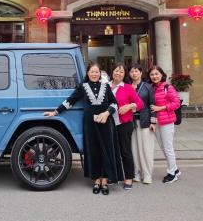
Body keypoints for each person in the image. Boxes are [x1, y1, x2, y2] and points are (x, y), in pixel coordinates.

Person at [44, 63, 123, 195]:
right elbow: (70, 101)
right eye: (92, 71)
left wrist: (106, 113)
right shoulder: (83, 87)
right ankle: (96, 181)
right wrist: (55, 112)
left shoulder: (106, 86)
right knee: (94, 152)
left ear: (100, 73)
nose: (94, 74)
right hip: (90, 125)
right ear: (87, 73)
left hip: (105, 123)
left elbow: (114, 103)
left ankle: (105, 181)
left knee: (106, 151)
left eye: (97, 72)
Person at [109, 64, 144, 190]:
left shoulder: (127, 88)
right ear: (112, 72)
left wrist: (129, 106)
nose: (118, 73)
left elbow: (140, 104)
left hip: (124, 124)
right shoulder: (105, 86)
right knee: (111, 151)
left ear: (124, 75)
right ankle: (112, 176)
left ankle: (128, 177)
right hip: (108, 125)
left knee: (125, 151)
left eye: (121, 71)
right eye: (116, 70)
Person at [148, 66, 182, 184]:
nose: (154, 76)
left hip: (167, 122)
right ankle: (175, 169)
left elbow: (176, 103)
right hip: (156, 122)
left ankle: (172, 173)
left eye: (156, 74)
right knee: (163, 147)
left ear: (162, 75)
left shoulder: (168, 87)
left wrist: (161, 108)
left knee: (168, 148)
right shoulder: (151, 88)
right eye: (152, 74)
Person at [129, 64, 156, 184]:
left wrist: (153, 121)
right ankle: (136, 173)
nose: (134, 73)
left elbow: (152, 104)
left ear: (140, 73)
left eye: (136, 71)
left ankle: (147, 174)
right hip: (131, 122)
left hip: (145, 121)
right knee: (134, 149)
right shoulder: (127, 86)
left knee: (146, 149)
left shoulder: (148, 87)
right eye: (132, 71)